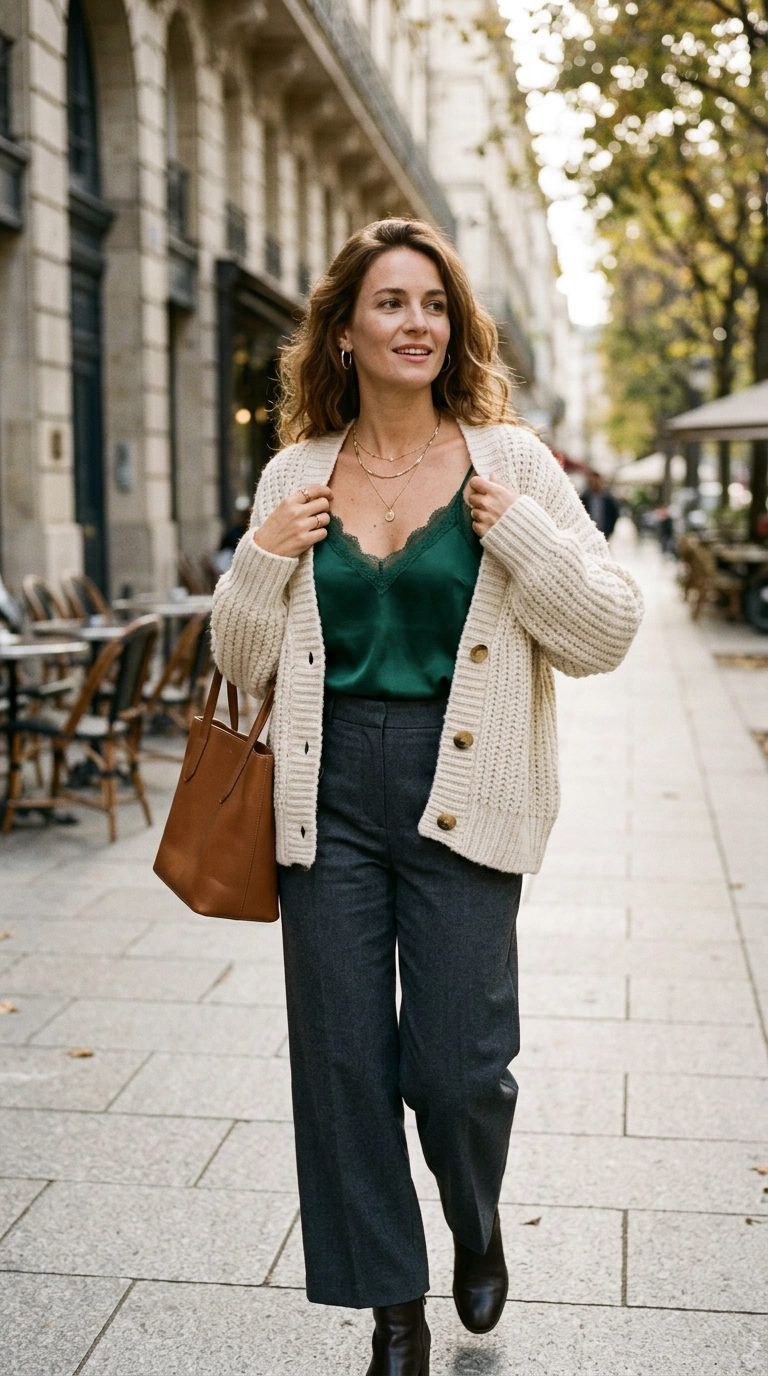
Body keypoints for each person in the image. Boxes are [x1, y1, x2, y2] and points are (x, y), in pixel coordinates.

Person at [211, 218, 642, 1375]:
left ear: (454, 329)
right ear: (344, 332)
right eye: (390, 303)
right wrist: (261, 556)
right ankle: (391, 1306)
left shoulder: (513, 461)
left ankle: (476, 1207)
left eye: (434, 304)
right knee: (345, 1061)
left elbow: (606, 629)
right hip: (327, 791)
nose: (415, 323)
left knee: (456, 1065)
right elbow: (241, 660)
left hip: (467, 788)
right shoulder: (295, 471)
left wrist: (528, 547)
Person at [580, 469, 620, 538]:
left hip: (604, 531)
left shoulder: (608, 499)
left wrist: (610, 529)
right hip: (589, 533)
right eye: (593, 481)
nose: (595, 484)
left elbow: (614, 514)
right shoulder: (585, 498)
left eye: (597, 481)